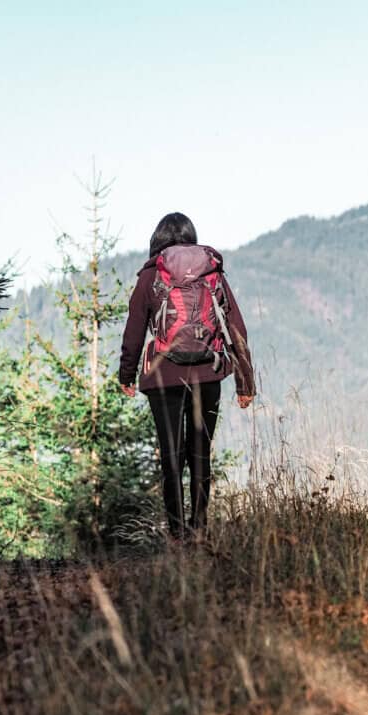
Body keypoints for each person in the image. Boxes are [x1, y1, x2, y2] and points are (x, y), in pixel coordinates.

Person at [119, 212, 255, 539]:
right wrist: (245, 382)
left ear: (157, 240)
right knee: (199, 453)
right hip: (208, 374)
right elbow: (235, 328)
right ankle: (200, 531)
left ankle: (178, 536)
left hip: (163, 376)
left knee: (171, 457)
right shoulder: (211, 272)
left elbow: (135, 329)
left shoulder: (152, 273)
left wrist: (126, 374)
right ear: (191, 236)